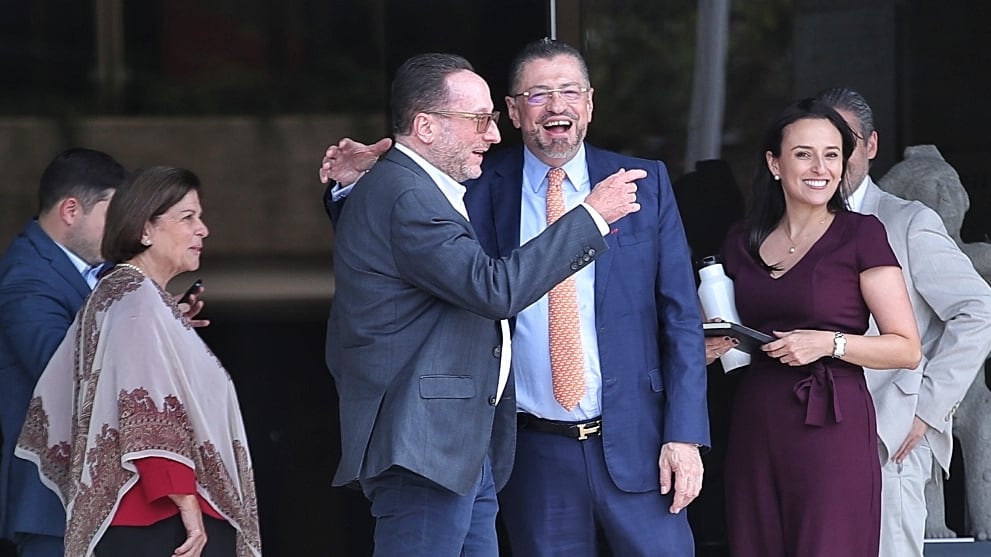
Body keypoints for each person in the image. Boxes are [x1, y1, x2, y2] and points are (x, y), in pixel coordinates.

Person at [322, 38, 709, 556]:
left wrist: (683, 435)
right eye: (537, 94)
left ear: (590, 102)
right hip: (519, 447)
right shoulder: (472, 184)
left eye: (570, 91)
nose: (557, 106)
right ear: (514, 109)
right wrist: (353, 190)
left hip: (635, 443)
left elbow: (680, 317)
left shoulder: (641, 183)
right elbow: (414, 251)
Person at [14, 166, 261, 557]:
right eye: (188, 217)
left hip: (148, 517)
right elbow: (144, 408)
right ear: (145, 229)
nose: (203, 229)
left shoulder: (131, 296)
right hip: (158, 520)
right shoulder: (135, 300)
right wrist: (185, 501)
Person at [713, 98, 921, 557]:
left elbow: (907, 348)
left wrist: (830, 343)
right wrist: (709, 344)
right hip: (755, 419)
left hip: (831, 421)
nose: (820, 167)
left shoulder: (861, 234)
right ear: (774, 163)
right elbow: (718, 325)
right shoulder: (740, 239)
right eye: (804, 153)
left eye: (832, 154)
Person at [816, 88, 991, 557]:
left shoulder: (907, 221)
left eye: (844, 141)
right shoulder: (793, 228)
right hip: (811, 444)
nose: (831, 157)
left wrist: (928, 409)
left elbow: (978, 310)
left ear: (870, 147)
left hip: (887, 446)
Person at [0, 148, 125, 557]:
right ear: (71, 210)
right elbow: (65, 369)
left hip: (91, 504)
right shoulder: (26, 278)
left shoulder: (95, 271)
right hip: (53, 503)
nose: (123, 230)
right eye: (113, 214)